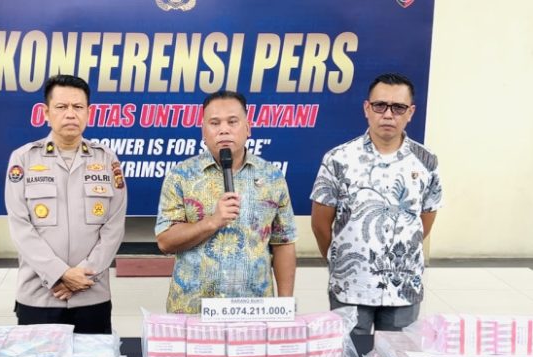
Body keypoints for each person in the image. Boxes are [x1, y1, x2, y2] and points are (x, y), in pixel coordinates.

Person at [310, 72, 443, 335]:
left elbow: (425, 219)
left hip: (403, 286)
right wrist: (340, 260)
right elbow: (320, 224)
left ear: (410, 112)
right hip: (351, 284)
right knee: (350, 356)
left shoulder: (426, 161)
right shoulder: (338, 159)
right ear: (367, 109)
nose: (388, 114)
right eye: (380, 106)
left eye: (398, 107)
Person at [155, 90, 297, 314]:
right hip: (193, 309)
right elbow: (165, 241)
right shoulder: (181, 176)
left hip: (254, 309)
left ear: (248, 128)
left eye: (232, 122)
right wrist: (211, 222)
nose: (224, 130)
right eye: (214, 123)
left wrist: (285, 304)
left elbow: (284, 243)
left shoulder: (272, 177)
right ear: (203, 131)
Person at [5, 75, 127, 334]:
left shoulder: (106, 159)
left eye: (78, 107)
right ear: (46, 113)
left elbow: (114, 226)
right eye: (61, 107)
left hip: (90, 292)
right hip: (39, 294)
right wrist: (59, 273)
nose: (70, 114)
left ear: (88, 113)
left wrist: (84, 274)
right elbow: (20, 226)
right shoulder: (23, 159)